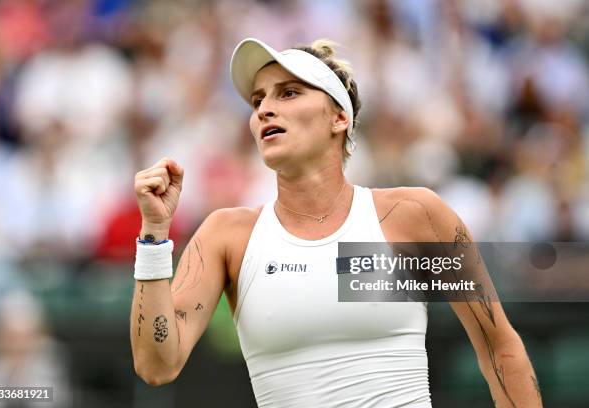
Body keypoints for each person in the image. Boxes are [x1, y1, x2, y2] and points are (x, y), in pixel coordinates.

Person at [130, 38, 542, 407]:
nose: (265, 109)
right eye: (257, 101)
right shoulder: (227, 235)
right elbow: (157, 366)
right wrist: (153, 236)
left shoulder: (413, 217)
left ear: (338, 118)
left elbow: (498, 348)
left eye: (289, 93)